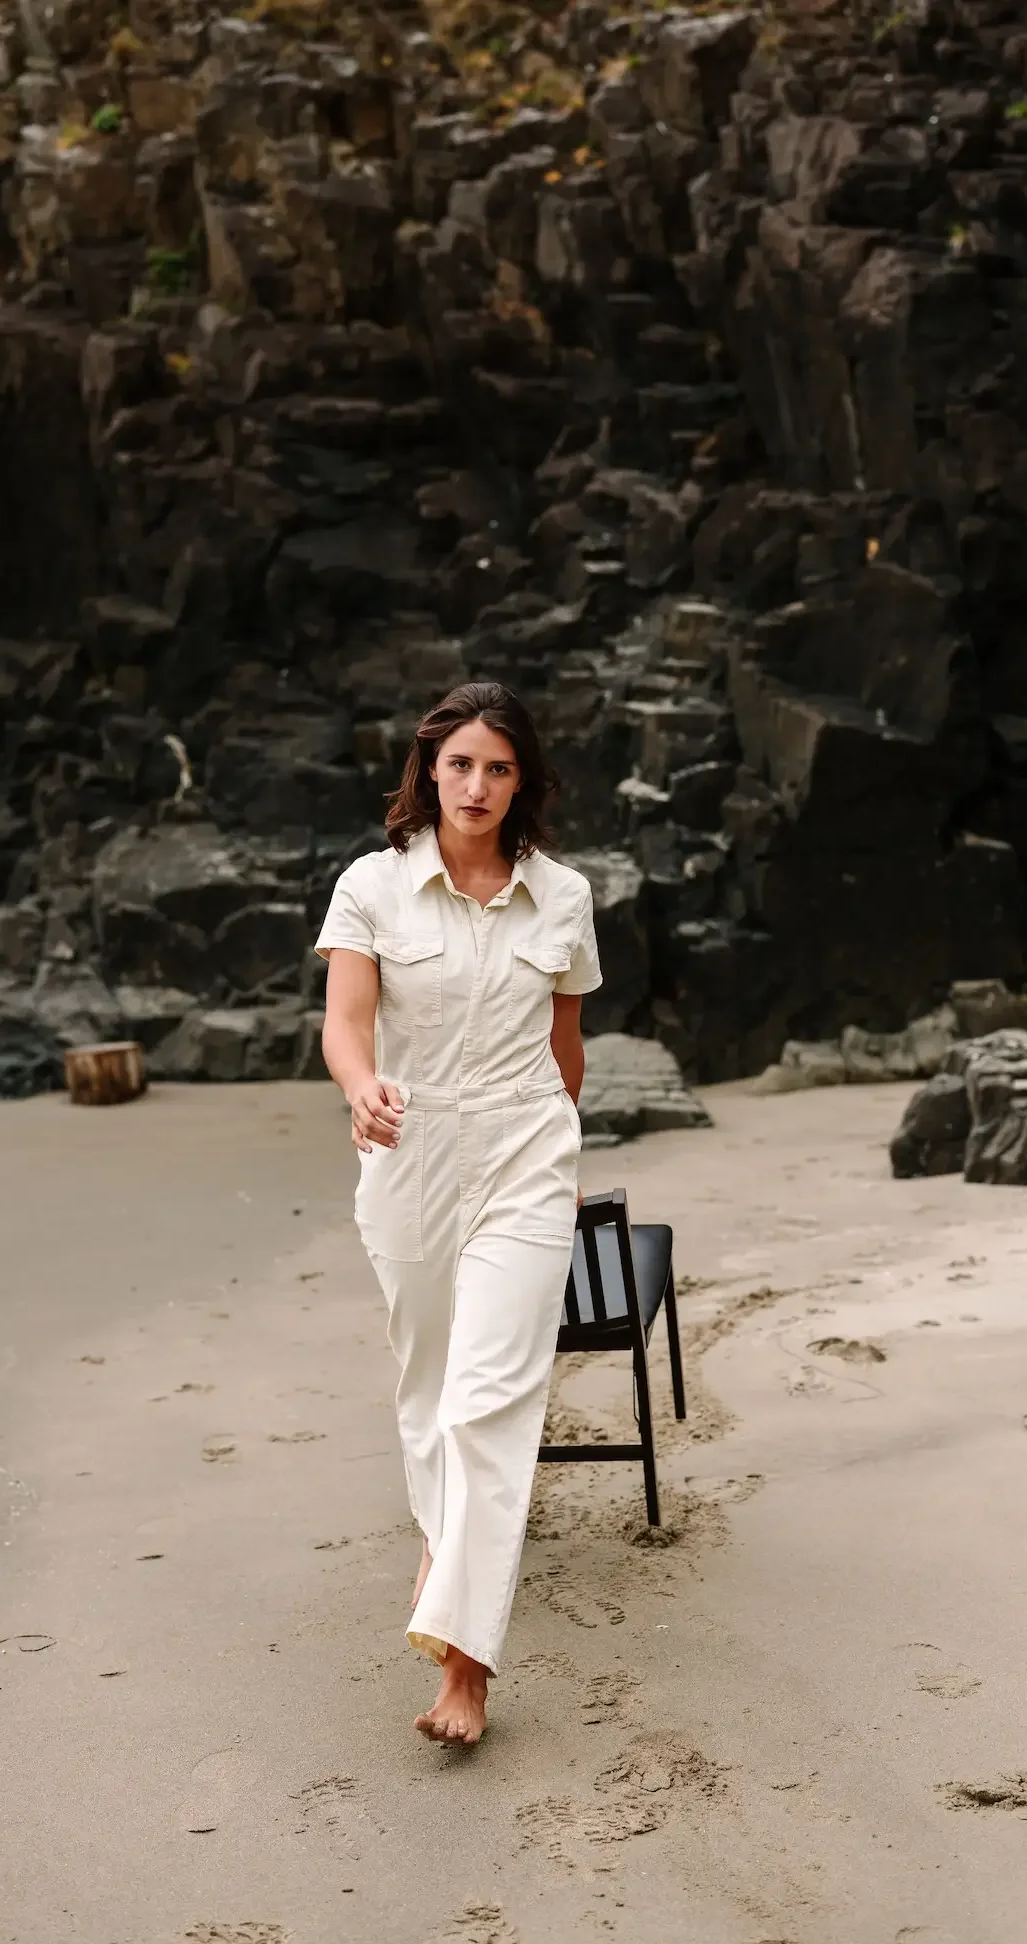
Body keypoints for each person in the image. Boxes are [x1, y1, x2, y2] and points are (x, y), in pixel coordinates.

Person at [316, 682, 601, 1745]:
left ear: (523, 782)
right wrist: (362, 1089)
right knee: (430, 1389)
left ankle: (465, 1666)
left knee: (489, 1404)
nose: (477, 786)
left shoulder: (563, 896)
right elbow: (347, 1023)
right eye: (460, 765)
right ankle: (445, 1547)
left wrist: (563, 1165)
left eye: (499, 768)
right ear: (429, 771)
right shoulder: (371, 886)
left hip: (526, 1154)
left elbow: (565, 1049)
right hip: (411, 1156)